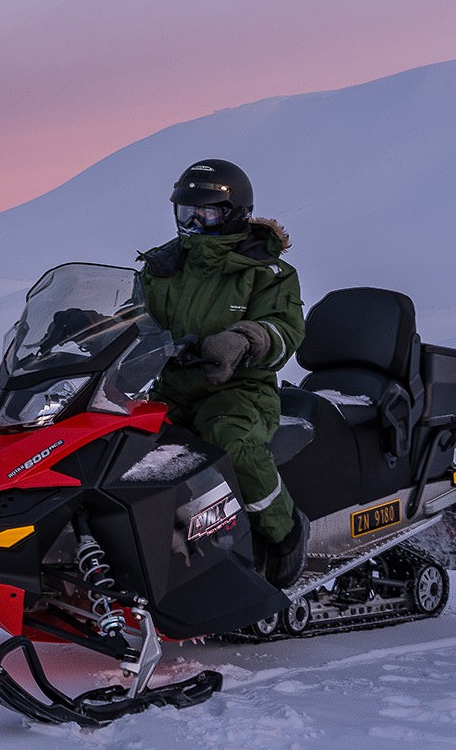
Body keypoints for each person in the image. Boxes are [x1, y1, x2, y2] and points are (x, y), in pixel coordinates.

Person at [137, 159, 309, 589]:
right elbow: (135, 317)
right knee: (120, 446)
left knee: (229, 439)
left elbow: (285, 330)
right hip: (170, 388)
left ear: (233, 214)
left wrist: (246, 340)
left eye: (207, 212)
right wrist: (90, 322)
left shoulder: (265, 272)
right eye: (185, 211)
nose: (194, 221)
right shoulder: (163, 266)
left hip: (239, 390)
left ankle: (284, 532)